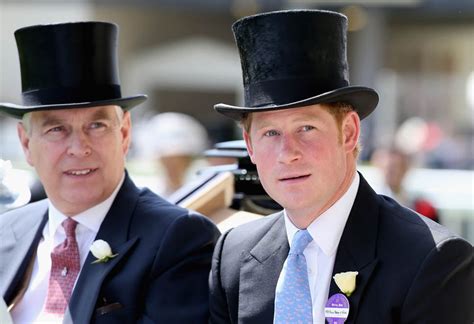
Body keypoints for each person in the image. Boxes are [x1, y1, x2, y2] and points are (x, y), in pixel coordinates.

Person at [209, 10, 473, 324]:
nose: (287, 153)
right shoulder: (233, 255)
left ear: (348, 132)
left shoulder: (431, 259)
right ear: (249, 146)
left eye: (306, 128)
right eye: (270, 133)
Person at [0, 21, 220, 323]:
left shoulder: (178, 239)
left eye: (96, 125)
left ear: (125, 133)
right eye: (56, 129)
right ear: (26, 143)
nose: (79, 147)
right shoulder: (7, 230)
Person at [140, 112, 210, 197]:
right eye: (167, 160)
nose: (173, 165)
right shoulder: (147, 195)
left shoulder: (202, 192)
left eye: (179, 159)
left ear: (189, 161)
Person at [371, 146, 440, 222]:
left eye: (398, 167)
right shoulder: (369, 201)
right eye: (390, 168)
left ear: (406, 169)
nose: (394, 173)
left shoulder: (422, 207)